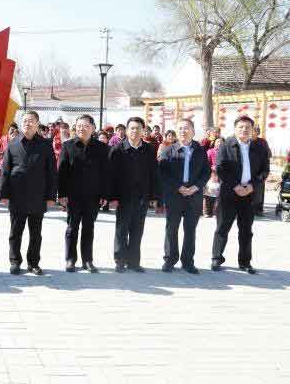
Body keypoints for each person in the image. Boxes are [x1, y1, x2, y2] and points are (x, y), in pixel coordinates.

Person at [211, 116, 270, 274]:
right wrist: (235, 186)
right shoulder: (225, 145)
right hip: (229, 193)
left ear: (252, 129)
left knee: (246, 230)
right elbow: (220, 168)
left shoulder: (259, 147)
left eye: (247, 127)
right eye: (241, 127)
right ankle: (217, 258)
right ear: (235, 128)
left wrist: (252, 186)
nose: (244, 130)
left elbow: (265, 170)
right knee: (222, 227)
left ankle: (245, 262)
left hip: (249, 194)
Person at [0, 111, 56, 275]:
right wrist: (4, 194)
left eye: (31, 121)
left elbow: (52, 172)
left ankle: (33, 262)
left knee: (36, 234)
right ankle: (15, 261)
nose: (27, 123)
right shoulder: (13, 144)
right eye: (24, 121)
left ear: (37, 124)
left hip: (38, 196)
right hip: (17, 196)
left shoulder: (45, 145)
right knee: (15, 232)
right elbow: (5, 170)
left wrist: (51, 196)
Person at [58, 114, 109, 273]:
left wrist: (105, 194)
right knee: (72, 228)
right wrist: (62, 194)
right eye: (79, 126)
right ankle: (70, 259)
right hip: (73, 196)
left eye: (86, 126)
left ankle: (87, 260)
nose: (82, 129)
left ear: (93, 128)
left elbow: (106, 173)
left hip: (93, 196)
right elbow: (61, 172)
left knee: (89, 228)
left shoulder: (101, 148)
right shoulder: (68, 146)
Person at [108, 117, 159, 273]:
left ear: (143, 130)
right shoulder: (117, 149)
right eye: (132, 128)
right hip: (123, 197)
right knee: (122, 230)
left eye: (138, 128)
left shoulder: (149, 149)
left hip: (142, 197)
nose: (135, 131)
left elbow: (154, 173)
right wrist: (112, 197)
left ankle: (134, 262)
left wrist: (154, 196)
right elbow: (111, 176)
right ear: (126, 130)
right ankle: (120, 260)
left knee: (137, 230)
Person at [159, 119, 210, 274]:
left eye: (186, 128)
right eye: (180, 128)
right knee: (171, 228)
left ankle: (188, 262)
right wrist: (178, 187)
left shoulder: (200, 150)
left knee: (190, 229)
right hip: (174, 195)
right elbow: (163, 173)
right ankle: (170, 259)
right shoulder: (168, 150)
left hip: (194, 196)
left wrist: (196, 187)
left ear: (193, 131)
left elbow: (206, 172)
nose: (183, 131)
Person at [251, 125, 271, 216]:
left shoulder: (262, 142)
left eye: (254, 131)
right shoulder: (246, 141)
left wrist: (265, 172)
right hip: (249, 170)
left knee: (259, 190)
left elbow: (267, 155)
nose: (252, 133)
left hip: (260, 169)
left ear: (257, 133)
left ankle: (258, 209)